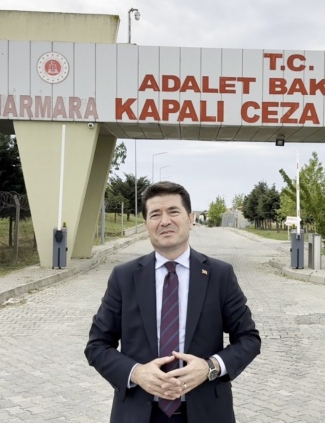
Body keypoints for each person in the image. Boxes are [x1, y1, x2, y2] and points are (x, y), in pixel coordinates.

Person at [85, 181, 261, 423]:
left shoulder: (220, 275)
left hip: (206, 414)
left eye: (173, 211)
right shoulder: (124, 277)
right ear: (146, 225)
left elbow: (249, 339)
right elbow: (97, 346)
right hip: (139, 414)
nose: (165, 221)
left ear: (190, 219)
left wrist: (210, 367)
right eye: (155, 214)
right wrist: (136, 373)